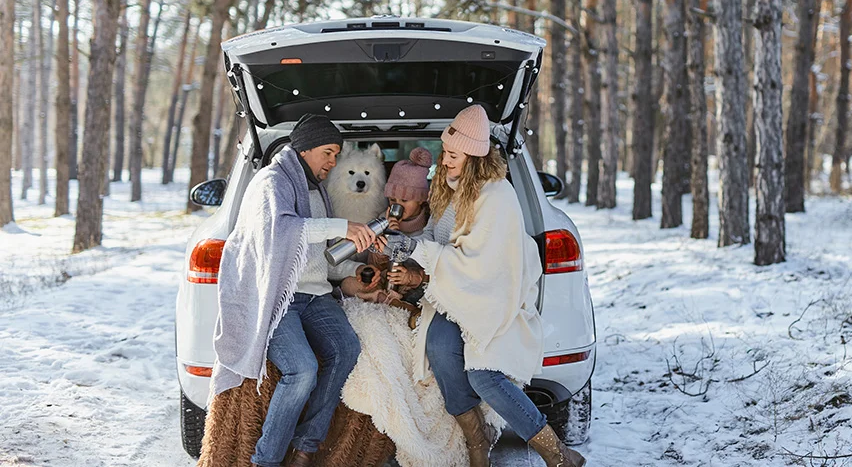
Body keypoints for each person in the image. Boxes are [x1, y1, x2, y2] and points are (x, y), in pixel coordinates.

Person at [383, 105, 587, 467]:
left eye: (452, 156)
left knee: (484, 378)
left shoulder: (497, 198)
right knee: (442, 348)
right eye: (445, 153)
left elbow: (480, 265)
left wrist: (420, 251)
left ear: (475, 157)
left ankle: (558, 455)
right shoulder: (448, 190)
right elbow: (438, 237)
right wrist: (409, 242)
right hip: (458, 294)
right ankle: (478, 437)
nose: (444, 162)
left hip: (495, 299)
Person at [210, 113, 385, 467]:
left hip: (316, 296)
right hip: (280, 299)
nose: (333, 162)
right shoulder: (270, 182)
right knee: (302, 369)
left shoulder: (318, 190)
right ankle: (266, 460)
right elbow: (282, 229)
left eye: (337, 155)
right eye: (328, 153)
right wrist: (343, 226)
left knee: (346, 349)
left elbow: (322, 256)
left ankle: (305, 448)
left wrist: (357, 268)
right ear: (305, 149)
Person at [338, 146, 433, 309]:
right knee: (348, 283)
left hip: (413, 282)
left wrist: (410, 277)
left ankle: (397, 303)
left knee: (425, 292)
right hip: (385, 280)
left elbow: (436, 264)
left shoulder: (430, 224)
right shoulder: (383, 219)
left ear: (420, 200)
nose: (397, 206)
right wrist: (388, 237)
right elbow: (374, 261)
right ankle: (382, 297)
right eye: (393, 200)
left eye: (404, 201)